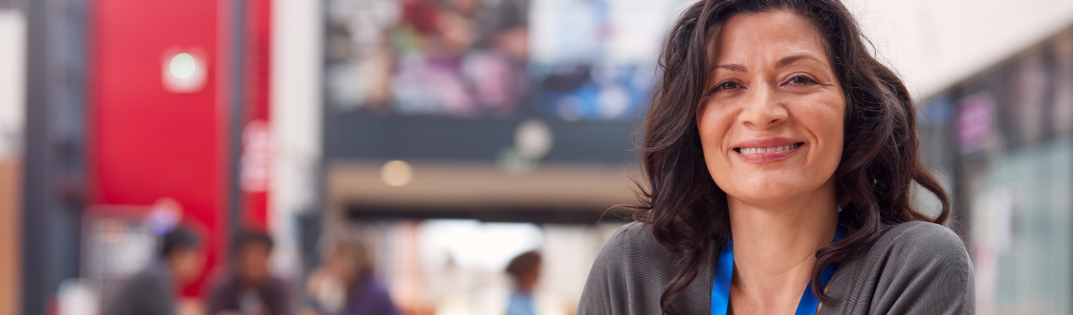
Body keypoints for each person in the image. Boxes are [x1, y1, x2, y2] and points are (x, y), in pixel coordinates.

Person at [576, 1, 974, 314]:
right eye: (728, 84)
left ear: (852, 109)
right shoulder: (632, 271)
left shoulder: (912, 265)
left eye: (799, 79)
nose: (763, 111)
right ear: (693, 122)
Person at [104, 226, 206, 315]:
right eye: (195, 256)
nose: (200, 263)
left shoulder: (160, 275)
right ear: (178, 255)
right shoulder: (155, 279)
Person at [305, 231, 399, 315]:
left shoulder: (374, 293)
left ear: (350, 262)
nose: (328, 269)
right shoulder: (356, 288)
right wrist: (315, 299)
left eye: (333, 262)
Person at [207, 231, 292, 315]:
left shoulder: (279, 288)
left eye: (261, 254)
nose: (255, 261)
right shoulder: (223, 287)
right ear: (238, 257)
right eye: (249, 254)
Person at [504, 251, 541, 315]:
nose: (540, 274)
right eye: (538, 269)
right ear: (529, 274)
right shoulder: (517, 307)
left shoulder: (525, 298)